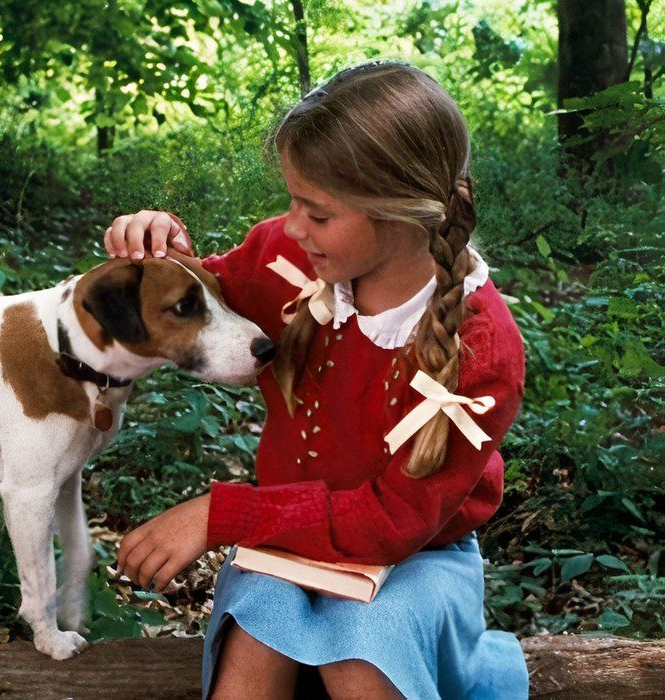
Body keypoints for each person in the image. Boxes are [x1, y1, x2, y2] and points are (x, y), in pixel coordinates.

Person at [107, 62, 529, 699]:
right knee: (257, 644)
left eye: (318, 212)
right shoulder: (288, 254)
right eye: (293, 202)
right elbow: (207, 298)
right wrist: (161, 246)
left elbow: (392, 521)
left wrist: (221, 514)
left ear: (400, 213)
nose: (295, 225)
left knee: (366, 659)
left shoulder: (479, 347)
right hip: (282, 547)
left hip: (420, 557)